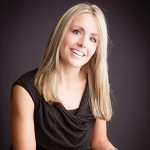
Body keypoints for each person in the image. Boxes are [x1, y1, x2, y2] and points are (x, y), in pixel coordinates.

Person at [10, 2, 118, 150]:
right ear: (61, 32)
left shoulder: (96, 86)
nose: (83, 43)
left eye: (93, 39)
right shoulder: (25, 90)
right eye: (77, 32)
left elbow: (99, 141)